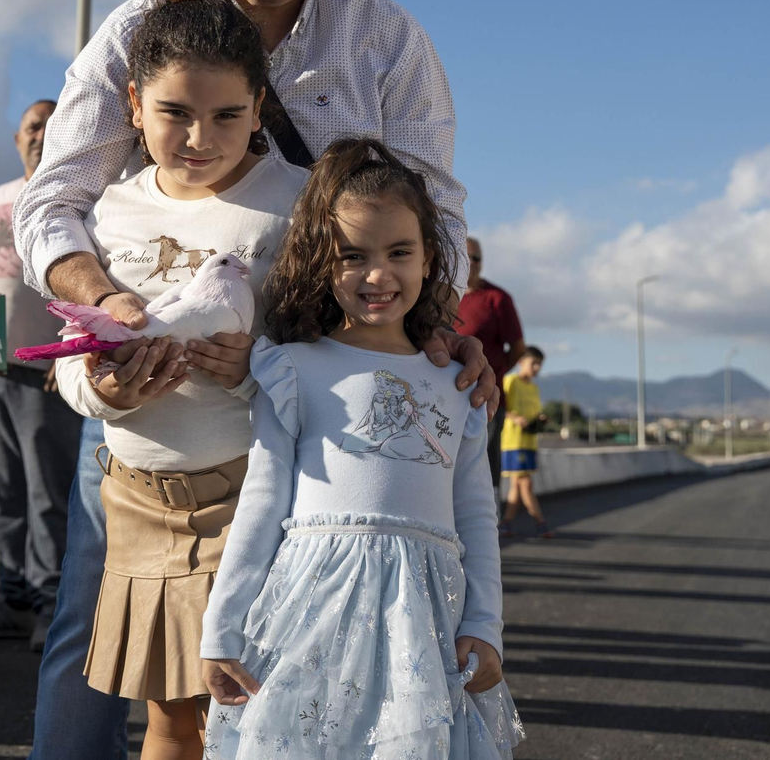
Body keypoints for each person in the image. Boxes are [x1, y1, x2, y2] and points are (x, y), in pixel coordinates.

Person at [13, 0, 498, 760]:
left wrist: (438, 330)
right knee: (96, 645)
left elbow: (433, 216)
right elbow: (51, 199)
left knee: (278, 679)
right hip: (143, 416)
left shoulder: (388, 43)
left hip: (299, 420)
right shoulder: (133, 35)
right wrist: (105, 312)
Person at [50, 0, 310, 759]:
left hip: (255, 498)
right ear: (131, 104)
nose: (200, 138)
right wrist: (100, 389)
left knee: (255, 716)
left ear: (260, 105)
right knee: (172, 720)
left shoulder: (297, 209)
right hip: (136, 501)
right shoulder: (106, 214)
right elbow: (68, 363)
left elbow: (331, 357)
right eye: (173, 113)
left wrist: (254, 368)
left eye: (228, 115)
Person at [201, 138, 523, 758]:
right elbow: (261, 505)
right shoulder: (290, 369)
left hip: (426, 624)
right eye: (352, 256)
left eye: (399, 251)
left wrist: (486, 627)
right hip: (308, 619)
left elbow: (477, 516)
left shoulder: (458, 384)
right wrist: (222, 629)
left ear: (431, 259)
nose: (378, 274)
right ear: (324, 263)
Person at [0, 97, 81, 653]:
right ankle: (10, 597)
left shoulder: (77, 197)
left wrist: (71, 351)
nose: (41, 134)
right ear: (17, 138)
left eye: (52, 125)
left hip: (42, 369)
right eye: (32, 126)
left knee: (46, 490)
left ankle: (49, 604)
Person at [456, 237, 526, 484]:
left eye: (477, 258)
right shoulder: (440, 297)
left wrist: (494, 370)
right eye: (467, 256)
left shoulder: (497, 298)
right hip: (447, 394)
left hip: (486, 399)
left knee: (484, 464)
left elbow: (518, 347)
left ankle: (491, 516)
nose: (472, 263)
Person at [499, 345, 553, 539]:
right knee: (526, 484)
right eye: (534, 363)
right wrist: (515, 419)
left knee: (518, 485)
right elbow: (497, 404)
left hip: (529, 441)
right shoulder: (510, 381)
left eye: (540, 364)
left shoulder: (534, 388)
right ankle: (540, 522)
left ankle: (505, 523)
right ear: (521, 362)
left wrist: (540, 419)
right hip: (513, 441)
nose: (537, 368)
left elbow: (534, 413)